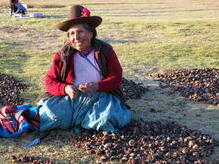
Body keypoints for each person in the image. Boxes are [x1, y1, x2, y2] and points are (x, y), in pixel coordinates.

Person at [37, 5, 131, 133]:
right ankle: (82, 120)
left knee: (106, 118)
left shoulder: (105, 51)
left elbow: (116, 77)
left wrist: (97, 86)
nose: (76, 37)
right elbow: (50, 81)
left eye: (80, 32)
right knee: (49, 115)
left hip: (101, 96)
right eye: (71, 34)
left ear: (91, 34)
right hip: (71, 98)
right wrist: (65, 88)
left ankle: (85, 120)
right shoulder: (63, 55)